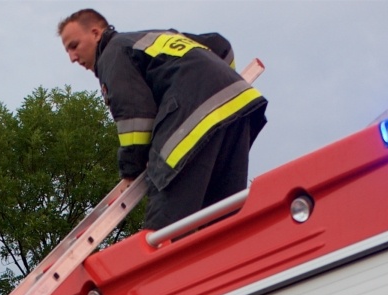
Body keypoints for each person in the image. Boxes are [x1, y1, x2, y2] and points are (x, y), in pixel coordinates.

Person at [59, 8, 267, 230]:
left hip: (193, 122)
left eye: (74, 46)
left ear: (96, 33)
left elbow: (135, 118)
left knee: (167, 229)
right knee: (221, 220)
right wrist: (217, 88)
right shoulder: (154, 38)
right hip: (239, 109)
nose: (72, 58)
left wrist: (131, 170)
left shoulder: (113, 53)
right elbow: (220, 45)